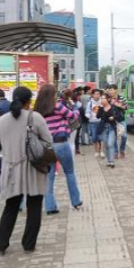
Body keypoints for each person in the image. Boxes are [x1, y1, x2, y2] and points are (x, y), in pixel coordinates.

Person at [0, 86, 52, 255]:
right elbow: (48, 142)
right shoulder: (36, 118)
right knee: (34, 207)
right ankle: (28, 244)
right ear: (29, 101)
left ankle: (1, 245)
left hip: (10, 168)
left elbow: (1, 143)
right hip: (33, 168)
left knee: (10, 207)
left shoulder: (2, 120)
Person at [35, 85, 82, 215]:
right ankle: (76, 201)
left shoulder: (37, 109)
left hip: (46, 146)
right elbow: (73, 116)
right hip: (61, 144)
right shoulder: (57, 106)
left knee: (49, 177)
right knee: (69, 172)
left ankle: (50, 207)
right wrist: (76, 108)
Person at [95, 95, 123, 168]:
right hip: (103, 128)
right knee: (106, 145)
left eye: (103, 98)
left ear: (108, 99)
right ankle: (109, 160)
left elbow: (120, 116)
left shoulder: (113, 107)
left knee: (110, 144)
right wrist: (100, 108)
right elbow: (97, 116)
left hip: (112, 128)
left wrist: (113, 117)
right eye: (101, 98)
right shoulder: (101, 108)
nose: (102, 100)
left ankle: (112, 161)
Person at [107, 84, 128, 159]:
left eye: (111, 90)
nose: (110, 91)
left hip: (121, 120)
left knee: (124, 136)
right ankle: (116, 152)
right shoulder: (108, 99)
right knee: (114, 137)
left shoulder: (122, 98)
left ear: (116, 90)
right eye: (109, 90)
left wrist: (118, 105)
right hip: (112, 121)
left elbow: (126, 107)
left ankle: (122, 150)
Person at [87, 89, 103, 158]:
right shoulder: (90, 103)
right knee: (94, 138)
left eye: (98, 94)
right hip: (93, 122)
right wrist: (88, 116)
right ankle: (96, 151)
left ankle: (101, 151)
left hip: (101, 122)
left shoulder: (102, 102)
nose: (97, 95)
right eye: (96, 94)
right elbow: (87, 112)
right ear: (92, 95)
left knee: (101, 137)